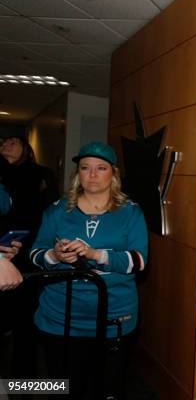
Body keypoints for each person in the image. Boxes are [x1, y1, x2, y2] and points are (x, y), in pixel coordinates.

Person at [30, 142, 148, 399]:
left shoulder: (131, 213)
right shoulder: (57, 210)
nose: (92, 175)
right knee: (64, 388)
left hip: (113, 318)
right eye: (85, 168)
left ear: (113, 174)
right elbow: (35, 253)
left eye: (100, 168)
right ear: (78, 174)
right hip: (60, 317)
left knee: (105, 388)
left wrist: (96, 255)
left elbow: (139, 261)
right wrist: (54, 255)